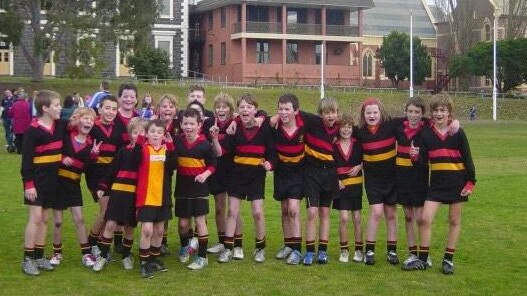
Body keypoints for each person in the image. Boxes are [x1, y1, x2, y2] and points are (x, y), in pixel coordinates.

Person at [404, 94, 476, 275]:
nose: (438, 113)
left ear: (449, 112)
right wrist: (414, 156)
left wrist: (470, 183)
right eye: (436, 110)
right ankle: (422, 259)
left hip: (457, 184)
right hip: (436, 185)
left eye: (442, 110)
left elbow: (468, 159)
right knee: (424, 219)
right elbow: (421, 161)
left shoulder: (457, 132)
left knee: (454, 220)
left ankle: (448, 260)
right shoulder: (426, 133)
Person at [212, 93, 275, 263]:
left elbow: (271, 152)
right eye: (242, 107)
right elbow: (220, 152)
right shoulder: (234, 128)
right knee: (232, 211)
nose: (245, 110)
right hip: (237, 175)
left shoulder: (264, 127)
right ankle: (228, 248)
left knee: (258, 212)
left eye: (249, 106)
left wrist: (270, 163)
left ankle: (260, 248)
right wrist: (214, 137)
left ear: (255, 109)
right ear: (238, 112)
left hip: (256, 175)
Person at [92, 117, 148, 272]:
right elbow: (112, 170)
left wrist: (142, 143)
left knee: (129, 227)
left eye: (142, 132)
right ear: (130, 134)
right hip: (118, 192)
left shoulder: (145, 152)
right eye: (135, 132)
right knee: (110, 224)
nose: (139, 135)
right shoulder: (123, 151)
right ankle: (103, 256)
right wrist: (103, 185)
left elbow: (138, 157)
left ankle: (126, 256)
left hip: (133, 194)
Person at [20, 90, 64, 276]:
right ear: (45, 108)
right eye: (56, 105)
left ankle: (39, 255)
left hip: (52, 181)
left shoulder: (60, 125)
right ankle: (27, 259)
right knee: (35, 218)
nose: (60, 107)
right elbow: (26, 161)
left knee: (45, 218)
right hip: (36, 181)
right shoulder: (32, 130)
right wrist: (29, 184)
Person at [50, 107, 100, 267]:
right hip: (58, 184)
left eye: (91, 120)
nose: (88, 122)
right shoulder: (65, 137)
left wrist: (93, 157)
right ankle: (57, 253)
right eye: (85, 118)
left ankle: (86, 254)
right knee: (57, 221)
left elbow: (88, 169)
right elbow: (52, 152)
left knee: (79, 219)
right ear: (77, 120)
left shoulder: (91, 144)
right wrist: (61, 158)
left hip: (74, 185)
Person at [354, 97, 401, 266]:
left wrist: (452, 121)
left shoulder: (391, 125)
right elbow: (339, 130)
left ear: (381, 113)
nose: (372, 115)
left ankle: (392, 251)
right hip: (373, 179)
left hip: (391, 177)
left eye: (375, 112)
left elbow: (417, 119)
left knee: (391, 214)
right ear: (363, 114)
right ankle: (370, 250)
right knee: (376, 212)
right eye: (368, 113)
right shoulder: (358, 131)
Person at [297, 97, 340, 265]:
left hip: (329, 175)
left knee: (324, 213)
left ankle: (322, 251)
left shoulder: (340, 128)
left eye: (333, 112)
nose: (330, 116)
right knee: (312, 212)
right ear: (320, 114)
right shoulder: (312, 122)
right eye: (327, 112)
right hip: (311, 174)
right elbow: (294, 110)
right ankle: (309, 251)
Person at [174, 108, 216, 270]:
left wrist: (205, 174)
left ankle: (202, 256)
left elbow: (213, 164)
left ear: (199, 125)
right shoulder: (177, 141)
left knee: (200, 222)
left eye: (192, 124)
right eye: (186, 124)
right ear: (181, 124)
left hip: (200, 189)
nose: (189, 127)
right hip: (182, 189)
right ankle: (185, 247)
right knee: (183, 224)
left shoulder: (205, 145)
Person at [85, 95, 126, 256]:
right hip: (95, 173)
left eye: (114, 109)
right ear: (99, 109)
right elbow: (81, 148)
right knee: (106, 209)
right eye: (107, 108)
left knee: (110, 210)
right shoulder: (92, 126)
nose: (110, 112)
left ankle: (102, 243)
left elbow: (123, 149)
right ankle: (91, 243)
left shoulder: (120, 127)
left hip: (112, 173)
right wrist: (92, 154)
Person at [135, 119, 176, 278]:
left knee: (159, 231)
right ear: (147, 133)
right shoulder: (143, 149)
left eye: (159, 132)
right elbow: (134, 160)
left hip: (163, 197)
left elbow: (173, 166)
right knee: (147, 230)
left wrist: (171, 148)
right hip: (146, 197)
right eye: (152, 131)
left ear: (164, 135)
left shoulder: (166, 150)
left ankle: (154, 259)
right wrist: (139, 141)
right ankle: (144, 262)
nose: (156, 135)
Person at [205, 93, 244, 256]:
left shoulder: (235, 123)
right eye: (218, 107)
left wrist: (236, 119)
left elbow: (261, 113)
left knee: (233, 210)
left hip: (234, 169)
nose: (221, 110)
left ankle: (238, 245)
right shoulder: (208, 123)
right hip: (216, 170)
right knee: (220, 208)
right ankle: (222, 242)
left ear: (231, 109)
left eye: (224, 106)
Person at [394, 97, 431, 266]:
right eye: (410, 111)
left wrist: (455, 122)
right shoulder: (399, 126)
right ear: (406, 112)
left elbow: (445, 121)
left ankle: (424, 254)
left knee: (420, 217)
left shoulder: (427, 129)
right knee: (408, 216)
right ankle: (412, 252)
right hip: (402, 177)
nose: (413, 115)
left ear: (423, 114)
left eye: (417, 112)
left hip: (419, 176)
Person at [270, 94, 305, 265]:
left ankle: (298, 250)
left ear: (296, 111)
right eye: (280, 109)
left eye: (287, 109)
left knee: (293, 209)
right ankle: (288, 245)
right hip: (281, 173)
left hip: (298, 173)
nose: (283, 113)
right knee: (284, 209)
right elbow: (259, 118)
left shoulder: (304, 127)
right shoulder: (274, 127)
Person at [332, 112, 364, 263]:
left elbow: (367, 158)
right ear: (338, 129)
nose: (346, 130)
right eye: (343, 127)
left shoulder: (358, 143)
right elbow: (329, 163)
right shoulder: (334, 144)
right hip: (341, 186)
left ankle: (359, 250)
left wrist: (359, 166)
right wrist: (335, 179)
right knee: (344, 218)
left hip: (356, 185)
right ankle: (344, 250)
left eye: (349, 127)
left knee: (357, 218)